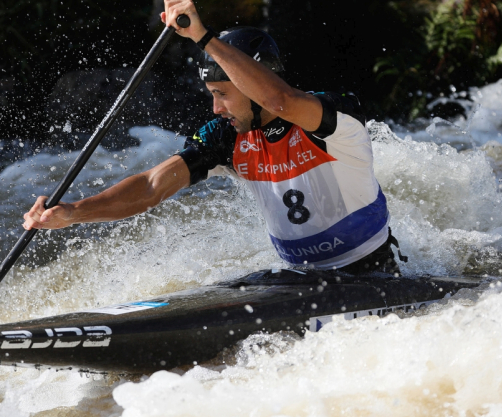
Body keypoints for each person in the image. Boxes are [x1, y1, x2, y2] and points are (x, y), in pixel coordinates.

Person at [23, 0, 406, 275]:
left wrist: (202, 37)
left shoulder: (333, 118)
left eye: (222, 94)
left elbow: (280, 99)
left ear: (253, 86)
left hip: (372, 272)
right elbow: (151, 186)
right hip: (301, 280)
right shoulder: (227, 139)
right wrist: (75, 213)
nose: (215, 108)